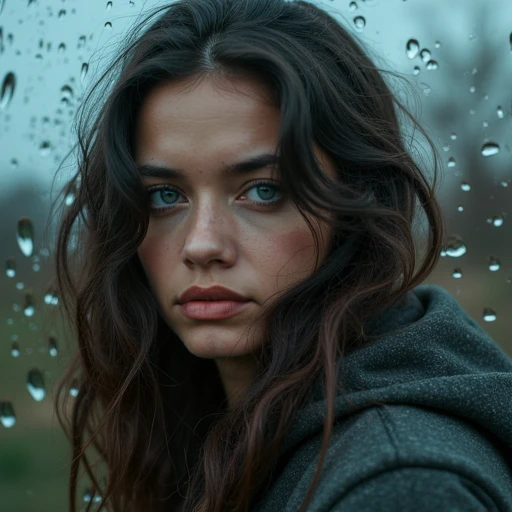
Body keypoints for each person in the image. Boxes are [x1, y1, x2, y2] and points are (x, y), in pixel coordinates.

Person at [49, 0, 512, 511]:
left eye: (263, 191)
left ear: (358, 204)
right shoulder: (208, 420)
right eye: (164, 195)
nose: (202, 244)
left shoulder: (399, 486)